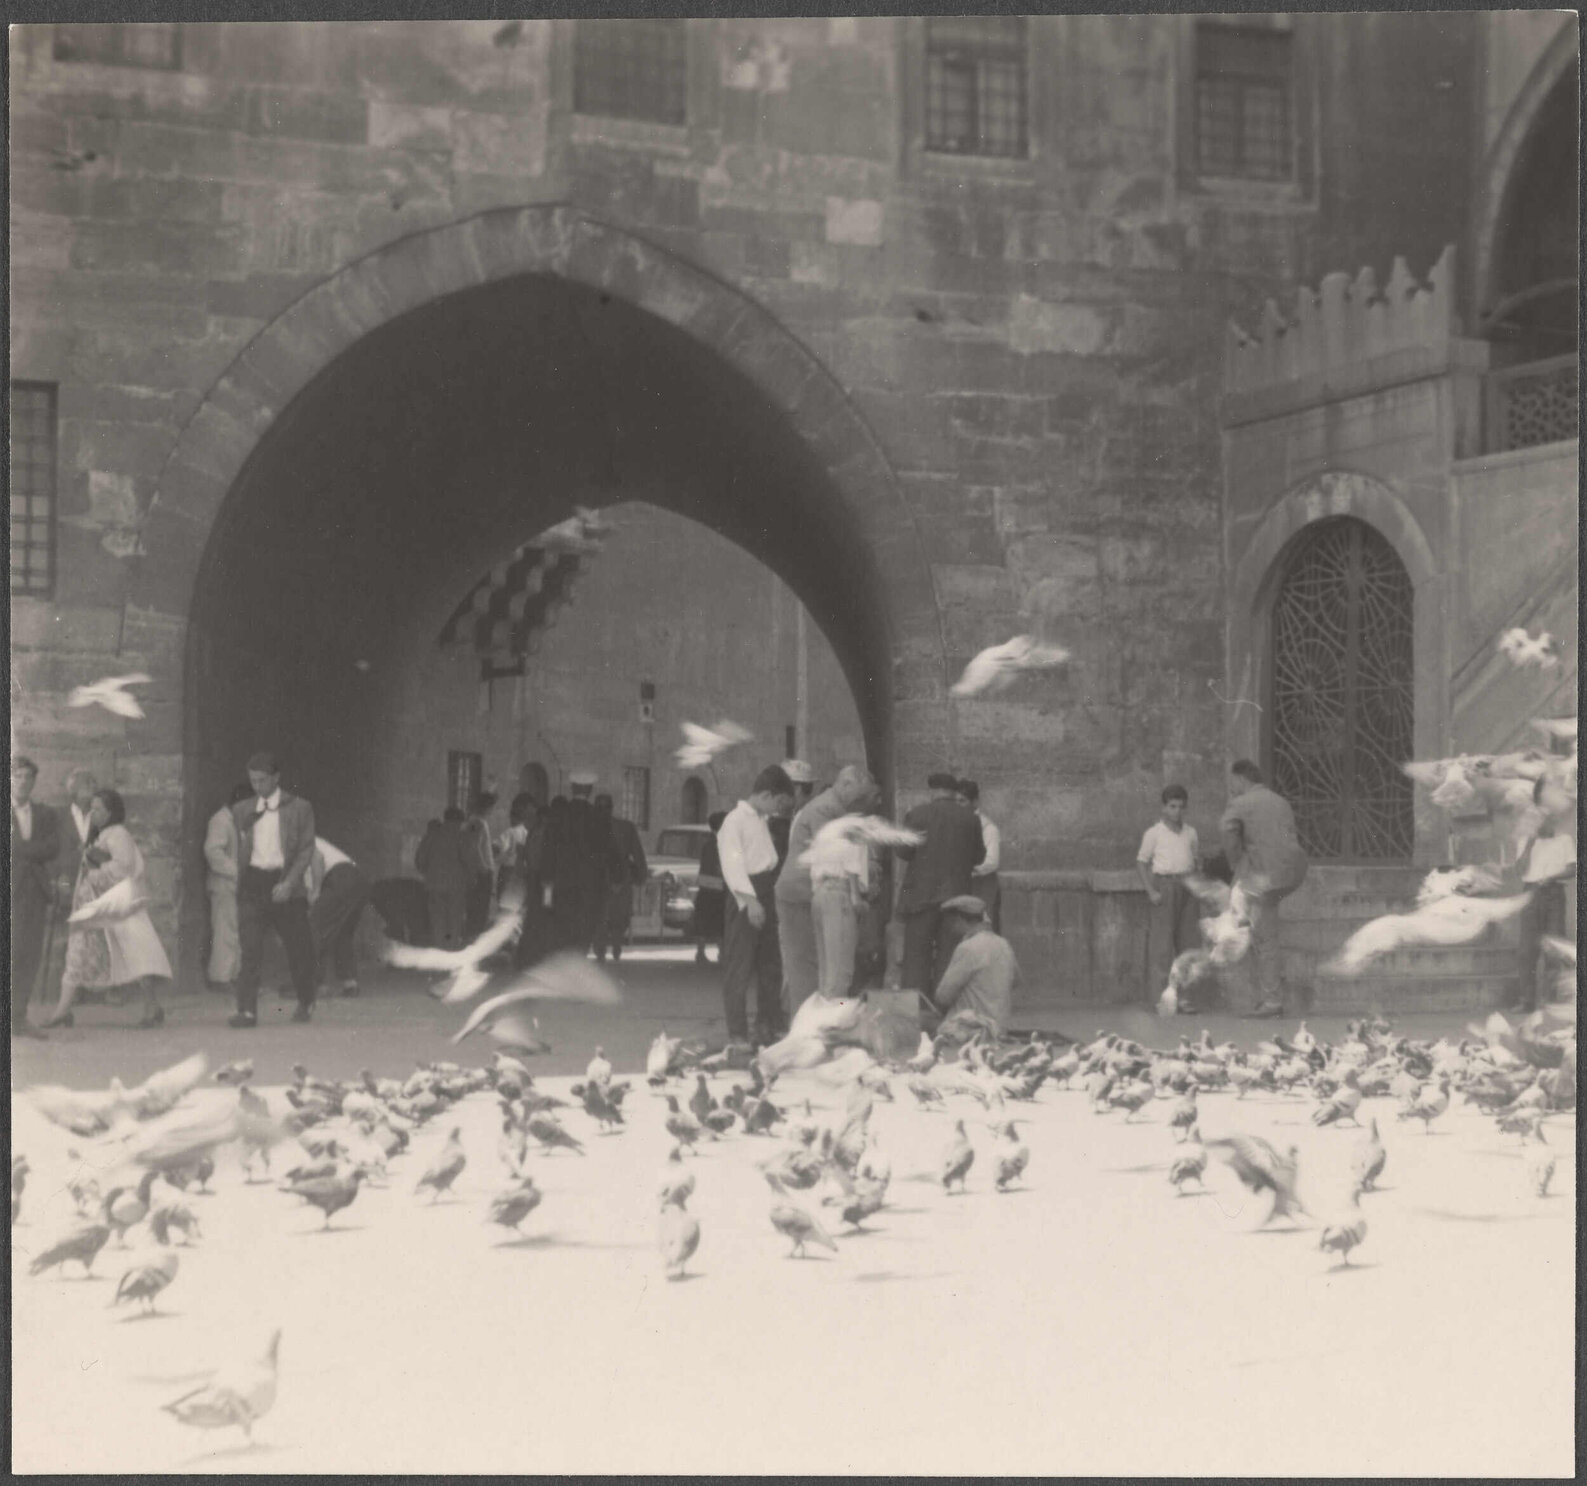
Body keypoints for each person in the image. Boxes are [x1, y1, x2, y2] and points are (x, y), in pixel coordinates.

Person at [42, 788, 174, 1030]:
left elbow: (123, 868)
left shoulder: (118, 834)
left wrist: (94, 872)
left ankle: (152, 1006)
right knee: (78, 952)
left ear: (111, 812)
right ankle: (62, 1010)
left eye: (98, 809)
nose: (93, 813)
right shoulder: (101, 834)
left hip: (117, 903)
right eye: (91, 808)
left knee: (135, 953)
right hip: (95, 905)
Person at [774, 764, 876, 1015]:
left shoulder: (830, 808)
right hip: (816, 892)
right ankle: (819, 1029)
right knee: (831, 973)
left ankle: (812, 1027)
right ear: (846, 784)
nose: (861, 802)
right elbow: (838, 857)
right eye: (859, 795)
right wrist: (856, 894)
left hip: (813, 893)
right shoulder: (827, 809)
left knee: (821, 969)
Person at [230, 751, 319, 1028]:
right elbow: (240, 848)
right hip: (253, 883)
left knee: (298, 947)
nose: (258, 786)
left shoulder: (299, 808)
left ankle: (306, 1000)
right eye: (253, 781)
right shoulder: (242, 809)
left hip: (285, 883)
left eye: (263, 780)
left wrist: (290, 883)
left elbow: (306, 850)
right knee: (250, 948)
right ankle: (246, 1011)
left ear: (276, 778)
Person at [1219, 759, 1309, 1018]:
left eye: (1232, 782)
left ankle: (1271, 1000)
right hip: (1292, 872)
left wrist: (1235, 862)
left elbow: (1226, 829)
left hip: (1264, 878)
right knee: (1263, 928)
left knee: (1264, 938)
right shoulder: (1279, 801)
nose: (1231, 787)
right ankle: (1269, 994)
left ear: (1240, 779)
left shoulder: (1240, 803)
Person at [718, 764, 796, 1047]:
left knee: (770, 964)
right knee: (740, 966)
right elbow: (733, 865)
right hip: (746, 894)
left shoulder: (761, 820)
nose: (778, 810)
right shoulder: (734, 821)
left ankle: (768, 1024)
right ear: (765, 795)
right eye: (778, 803)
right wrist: (750, 902)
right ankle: (737, 1033)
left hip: (766, 890)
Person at [894, 771, 985, 997]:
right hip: (956, 900)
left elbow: (902, 851)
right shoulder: (970, 818)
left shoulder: (917, 815)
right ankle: (943, 1011)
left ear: (932, 791)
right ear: (953, 792)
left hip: (920, 898)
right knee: (950, 956)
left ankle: (916, 1011)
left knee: (916, 957)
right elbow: (979, 857)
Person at [1136, 784, 1201, 1008]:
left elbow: (1195, 860)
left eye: (1181, 807)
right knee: (1161, 946)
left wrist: (1195, 887)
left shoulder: (1191, 833)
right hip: (1164, 886)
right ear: (1164, 807)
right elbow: (1142, 863)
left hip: (1187, 888)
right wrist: (1151, 891)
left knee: (1188, 945)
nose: (1177, 812)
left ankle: (1185, 998)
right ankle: (1161, 999)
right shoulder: (1154, 833)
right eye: (1172, 806)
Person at [929, 895, 1020, 1049]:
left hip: (973, 1029)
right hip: (1000, 1027)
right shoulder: (1003, 944)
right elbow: (1016, 980)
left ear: (960, 919)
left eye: (951, 921)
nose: (949, 927)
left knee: (923, 1021)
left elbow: (943, 997)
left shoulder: (967, 948)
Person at [11, 756, 60, 1038]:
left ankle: (19, 1017)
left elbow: (53, 848)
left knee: (29, 953)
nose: (23, 782)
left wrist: (21, 850)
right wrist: (31, 850)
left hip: (35, 890)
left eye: (29, 777)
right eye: (18, 776)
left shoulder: (45, 814)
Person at [547, 772, 606, 953]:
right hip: (589, 885)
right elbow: (606, 851)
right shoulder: (598, 816)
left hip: (562, 882)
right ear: (590, 790)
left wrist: (546, 882)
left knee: (563, 923)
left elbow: (548, 850)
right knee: (585, 925)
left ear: (572, 788)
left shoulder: (558, 815)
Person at [308, 836, 371, 998]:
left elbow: (317, 858)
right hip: (357, 878)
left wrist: (315, 891)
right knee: (343, 933)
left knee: (314, 927)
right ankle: (350, 983)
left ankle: (314, 984)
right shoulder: (311, 837)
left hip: (339, 878)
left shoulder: (297, 834)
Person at [205, 783, 252, 990]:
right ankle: (220, 978)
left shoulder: (235, 821)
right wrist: (236, 872)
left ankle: (233, 975)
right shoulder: (220, 821)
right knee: (225, 930)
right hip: (223, 884)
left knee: (234, 931)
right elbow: (213, 852)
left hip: (234, 884)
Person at [592, 793, 647, 962]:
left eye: (603, 807)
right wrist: (641, 875)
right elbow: (637, 854)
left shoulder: (590, 827)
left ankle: (603, 947)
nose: (602, 811)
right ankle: (613, 943)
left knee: (603, 914)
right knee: (616, 914)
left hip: (602, 878)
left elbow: (637, 853)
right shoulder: (625, 827)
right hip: (619, 877)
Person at [417, 809, 471, 949]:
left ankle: (440, 953)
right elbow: (468, 861)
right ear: (459, 821)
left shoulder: (432, 835)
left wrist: (428, 873)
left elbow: (419, 860)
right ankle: (451, 952)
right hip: (457, 887)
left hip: (435, 885)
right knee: (454, 921)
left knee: (438, 921)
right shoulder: (462, 836)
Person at [958, 779, 1003, 933]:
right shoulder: (956, 825)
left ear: (975, 802)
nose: (958, 806)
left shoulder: (988, 828)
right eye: (955, 801)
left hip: (982, 886)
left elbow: (991, 862)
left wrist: (967, 870)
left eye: (962, 801)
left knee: (984, 927)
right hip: (963, 885)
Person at [690, 810, 729, 966]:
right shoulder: (723, 843)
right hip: (719, 887)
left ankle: (700, 952)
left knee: (704, 921)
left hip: (705, 887)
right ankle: (722, 952)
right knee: (720, 921)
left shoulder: (708, 844)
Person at [462, 792, 498, 938]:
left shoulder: (475, 821)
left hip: (480, 872)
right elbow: (473, 846)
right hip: (482, 873)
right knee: (479, 911)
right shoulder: (478, 822)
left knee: (479, 910)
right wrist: (483, 868)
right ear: (486, 807)